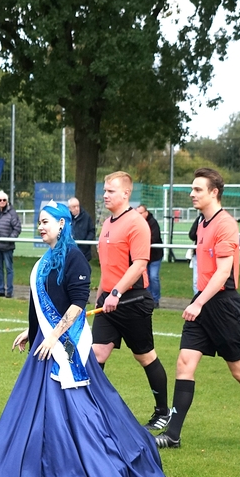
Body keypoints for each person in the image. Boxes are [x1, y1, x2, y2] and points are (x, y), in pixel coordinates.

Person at [0, 201, 169, 477]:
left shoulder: (74, 257)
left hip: (67, 345)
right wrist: (33, 331)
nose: (40, 226)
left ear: (61, 224)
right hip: (46, 342)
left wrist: (53, 335)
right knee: (35, 408)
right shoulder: (45, 259)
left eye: (46, 221)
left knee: (76, 405)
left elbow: (77, 305)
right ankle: (41, 464)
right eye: (39, 222)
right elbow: (46, 304)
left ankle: (83, 465)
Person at [151, 169, 240, 450]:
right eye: (192, 189)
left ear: (214, 192)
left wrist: (198, 303)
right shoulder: (201, 223)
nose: (192, 194)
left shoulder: (226, 224)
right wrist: (199, 300)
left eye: (198, 189)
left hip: (223, 306)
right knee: (185, 362)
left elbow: (223, 272)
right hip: (202, 301)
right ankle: (173, 435)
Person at [92, 171, 170, 430]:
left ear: (126, 193)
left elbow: (139, 264)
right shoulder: (107, 223)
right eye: (104, 190)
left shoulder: (136, 222)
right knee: (97, 353)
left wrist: (116, 293)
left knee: (145, 356)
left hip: (132, 301)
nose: (105, 195)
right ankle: (92, 411)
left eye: (110, 191)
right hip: (108, 301)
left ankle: (163, 412)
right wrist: (101, 295)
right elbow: (107, 266)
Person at [135, 204, 163, 307]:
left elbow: (154, 238)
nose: (139, 215)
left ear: (146, 213)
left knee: (153, 277)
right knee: (145, 278)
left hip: (155, 256)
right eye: (137, 213)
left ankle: (155, 299)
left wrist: (141, 241)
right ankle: (147, 298)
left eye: (141, 213)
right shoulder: (136, 223)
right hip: (143, 256)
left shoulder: (153, 223)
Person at [68, 197, 95, 261]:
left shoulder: (86, 217)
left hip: (84, 253)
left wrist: (86, 244)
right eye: (74, 207)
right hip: (69, 251)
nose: (77, 208)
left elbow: (92, 231)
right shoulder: (66, 218)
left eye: (78, 206)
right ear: (69, 208)